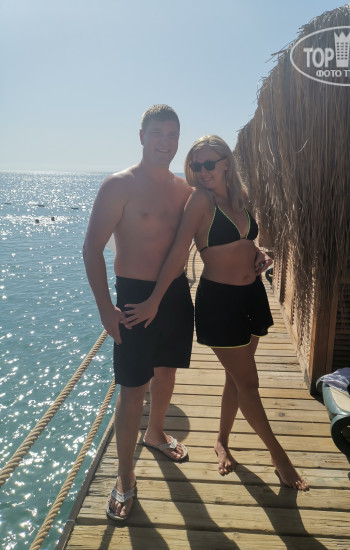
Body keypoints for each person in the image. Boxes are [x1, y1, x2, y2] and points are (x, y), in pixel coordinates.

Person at [122, 135, 309, 491]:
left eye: (209, 164)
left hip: (252, 296)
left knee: (236, 379)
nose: (202, 171)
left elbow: (245, 239)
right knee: (248, 384)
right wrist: (154, 300)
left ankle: (221, 440)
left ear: (226, 163)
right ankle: (279, 456)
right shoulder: (200, 201)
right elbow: (178, 252)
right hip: (220, 303)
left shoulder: (240, 197)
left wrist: (260, 253)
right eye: (196, 166)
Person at [83, 105, 194, 521]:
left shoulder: (184, 190)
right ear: (142, 136)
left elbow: (201, 239)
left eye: (173, 134)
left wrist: (255, 255)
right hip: (132, 298)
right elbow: (91, 249)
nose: (166, 142)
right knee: (132, 388)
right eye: (158, 133)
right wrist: (104, 309)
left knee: (167, 372)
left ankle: (156, 432)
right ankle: (125, 477)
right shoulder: (119, 186)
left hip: (174, 293)